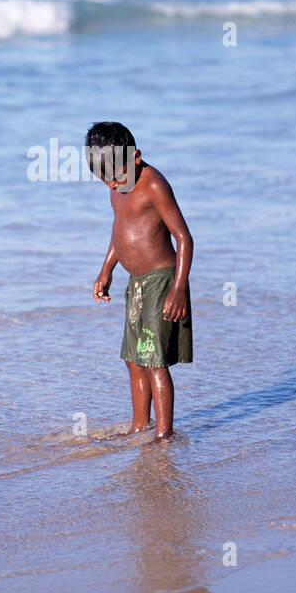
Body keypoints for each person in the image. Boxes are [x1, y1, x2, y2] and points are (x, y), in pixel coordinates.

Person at [86, 121, 193, 441]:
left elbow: (184, 238)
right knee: (133, 360)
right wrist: (107, 270)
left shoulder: (153, 184)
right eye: (103, 180)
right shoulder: (116, 188)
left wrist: (178, 289)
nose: (111, 185)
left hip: (162, 281)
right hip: (136, 283)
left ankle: (164, 436)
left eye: (116, 176)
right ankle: (139, 426)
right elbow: (121, 231)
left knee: (154, 361)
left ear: (135, 158)